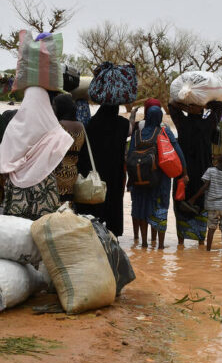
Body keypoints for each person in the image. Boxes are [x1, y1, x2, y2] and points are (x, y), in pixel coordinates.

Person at [0, 87, 73, 220]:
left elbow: (4, 159)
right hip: (44, 187)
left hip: (16, 190)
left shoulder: (13, 128)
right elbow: (59, 163)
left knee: (17, 231)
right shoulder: (53, 130)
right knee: (41, 231)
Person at [129, 106, 187, 249]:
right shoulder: (164, 131)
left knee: (142, 209)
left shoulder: (138, 133)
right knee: (160, 209)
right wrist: (184, 172)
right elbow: (177, 150)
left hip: (139, 179)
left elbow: (129, 156)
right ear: (160, 118)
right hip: (160, 179)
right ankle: (160, 244)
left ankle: (143, 243)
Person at [169, 100, 222, 245]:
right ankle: (200, 241)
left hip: (183, 173)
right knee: (201, 204)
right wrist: (202, 106)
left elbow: (171, 105)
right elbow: (219, 106)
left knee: (181, 201)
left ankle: (181, 242)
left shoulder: (182, 123)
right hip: (203, 174)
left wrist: (187, 107)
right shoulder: (208, 125)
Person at [77, 104, 129, 237]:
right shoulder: (123, 124)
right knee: (114, 202)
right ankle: (113, 235)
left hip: (96, 172)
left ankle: (94, 234)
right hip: (115, 173)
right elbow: (129, 132)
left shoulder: (92, 123)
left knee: (95, 204)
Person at [188, 151, 222, 253]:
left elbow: (205, 186)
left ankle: (208, 250)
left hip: (212, 206)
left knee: (211, 228)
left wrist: (193, 199)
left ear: (218, 160)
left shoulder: (210, 171)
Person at [53, 94, 85, 203]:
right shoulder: (81, 126)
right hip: (73, 171)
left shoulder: (58, 126)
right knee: (68, 204)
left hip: (58, 171)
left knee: (57, 204)